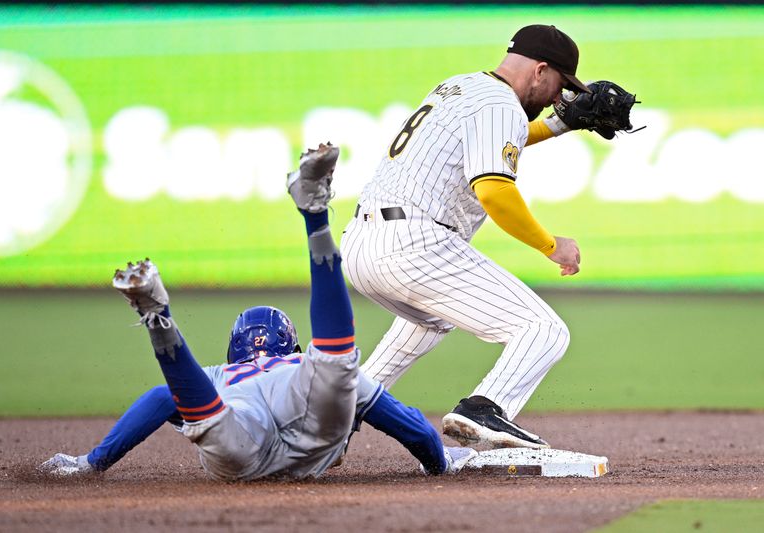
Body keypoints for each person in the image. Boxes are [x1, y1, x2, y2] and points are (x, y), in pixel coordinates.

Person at [40, 144, 477, 480]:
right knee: (335, 362)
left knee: (210, 417)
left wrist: (90, 463)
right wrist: (440, 463)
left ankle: (158, 318)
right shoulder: (300, 365)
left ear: (234, 352)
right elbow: (414, 428)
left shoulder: (219, 375)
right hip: (310, 424)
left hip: (239, 445)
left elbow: (159, 399)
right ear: (293, 345)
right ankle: (315, 216)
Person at [340, 24, 594, 450]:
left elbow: (498, 136)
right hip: (413, 243)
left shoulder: (461, 87)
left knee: (430, 322)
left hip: (362, 244)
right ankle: (485, 408)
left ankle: (340, 412)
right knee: (543, 330)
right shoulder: (503, 107)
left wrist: (557, 125)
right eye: (558, 85)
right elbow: (494, 190)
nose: (557, 96)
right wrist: (552, 246)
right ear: (540, 70)